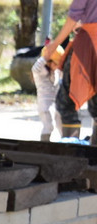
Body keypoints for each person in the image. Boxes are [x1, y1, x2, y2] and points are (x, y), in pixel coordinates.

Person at [44, 7, 97, 141]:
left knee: (66, 101)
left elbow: (75, 19)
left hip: (86, 46)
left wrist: (55, 43)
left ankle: (73, 151)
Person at [32, 44, 64, 141]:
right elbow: (35, 68)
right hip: (45, 104)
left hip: (56, 103)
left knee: (62, 125)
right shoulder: (41, 72)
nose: (58, 66)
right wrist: (45, 57)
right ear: (48, 62)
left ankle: (65, 143)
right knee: (49, 126)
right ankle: (44, 145)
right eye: (55, 63)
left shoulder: (56, 72)